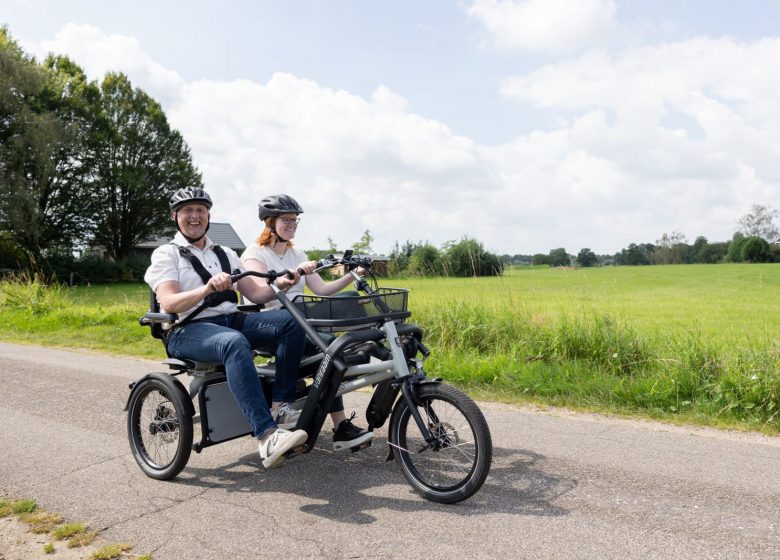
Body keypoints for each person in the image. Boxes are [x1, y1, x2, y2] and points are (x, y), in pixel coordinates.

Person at [144, 187, 307, 469]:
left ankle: (280, 407)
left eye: (200, 210)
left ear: (208, 215)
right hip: (187, 330)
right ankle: (267, 436)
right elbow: (169, 302)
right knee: (233, 342)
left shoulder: (227, 253)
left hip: (230, 321)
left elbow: (255, 294)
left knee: (291, 321)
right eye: (187, 211)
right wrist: (207, 289)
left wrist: (280, 284)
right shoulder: (166, 254)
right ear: (175, 217)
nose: (195, 216)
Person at [240, 194, 374, 451]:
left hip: (300, 320)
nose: (292, 224)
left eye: (295, 220)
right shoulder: (254, 254)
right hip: (269, 325)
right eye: (286, 220)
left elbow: (322, 290)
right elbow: (258, 293)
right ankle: (316, 417)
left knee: (347, 302)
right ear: (270, 222)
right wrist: (293, 275)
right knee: (330, 346)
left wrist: (353, 275)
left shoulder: (296, 253)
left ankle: (342, 421)